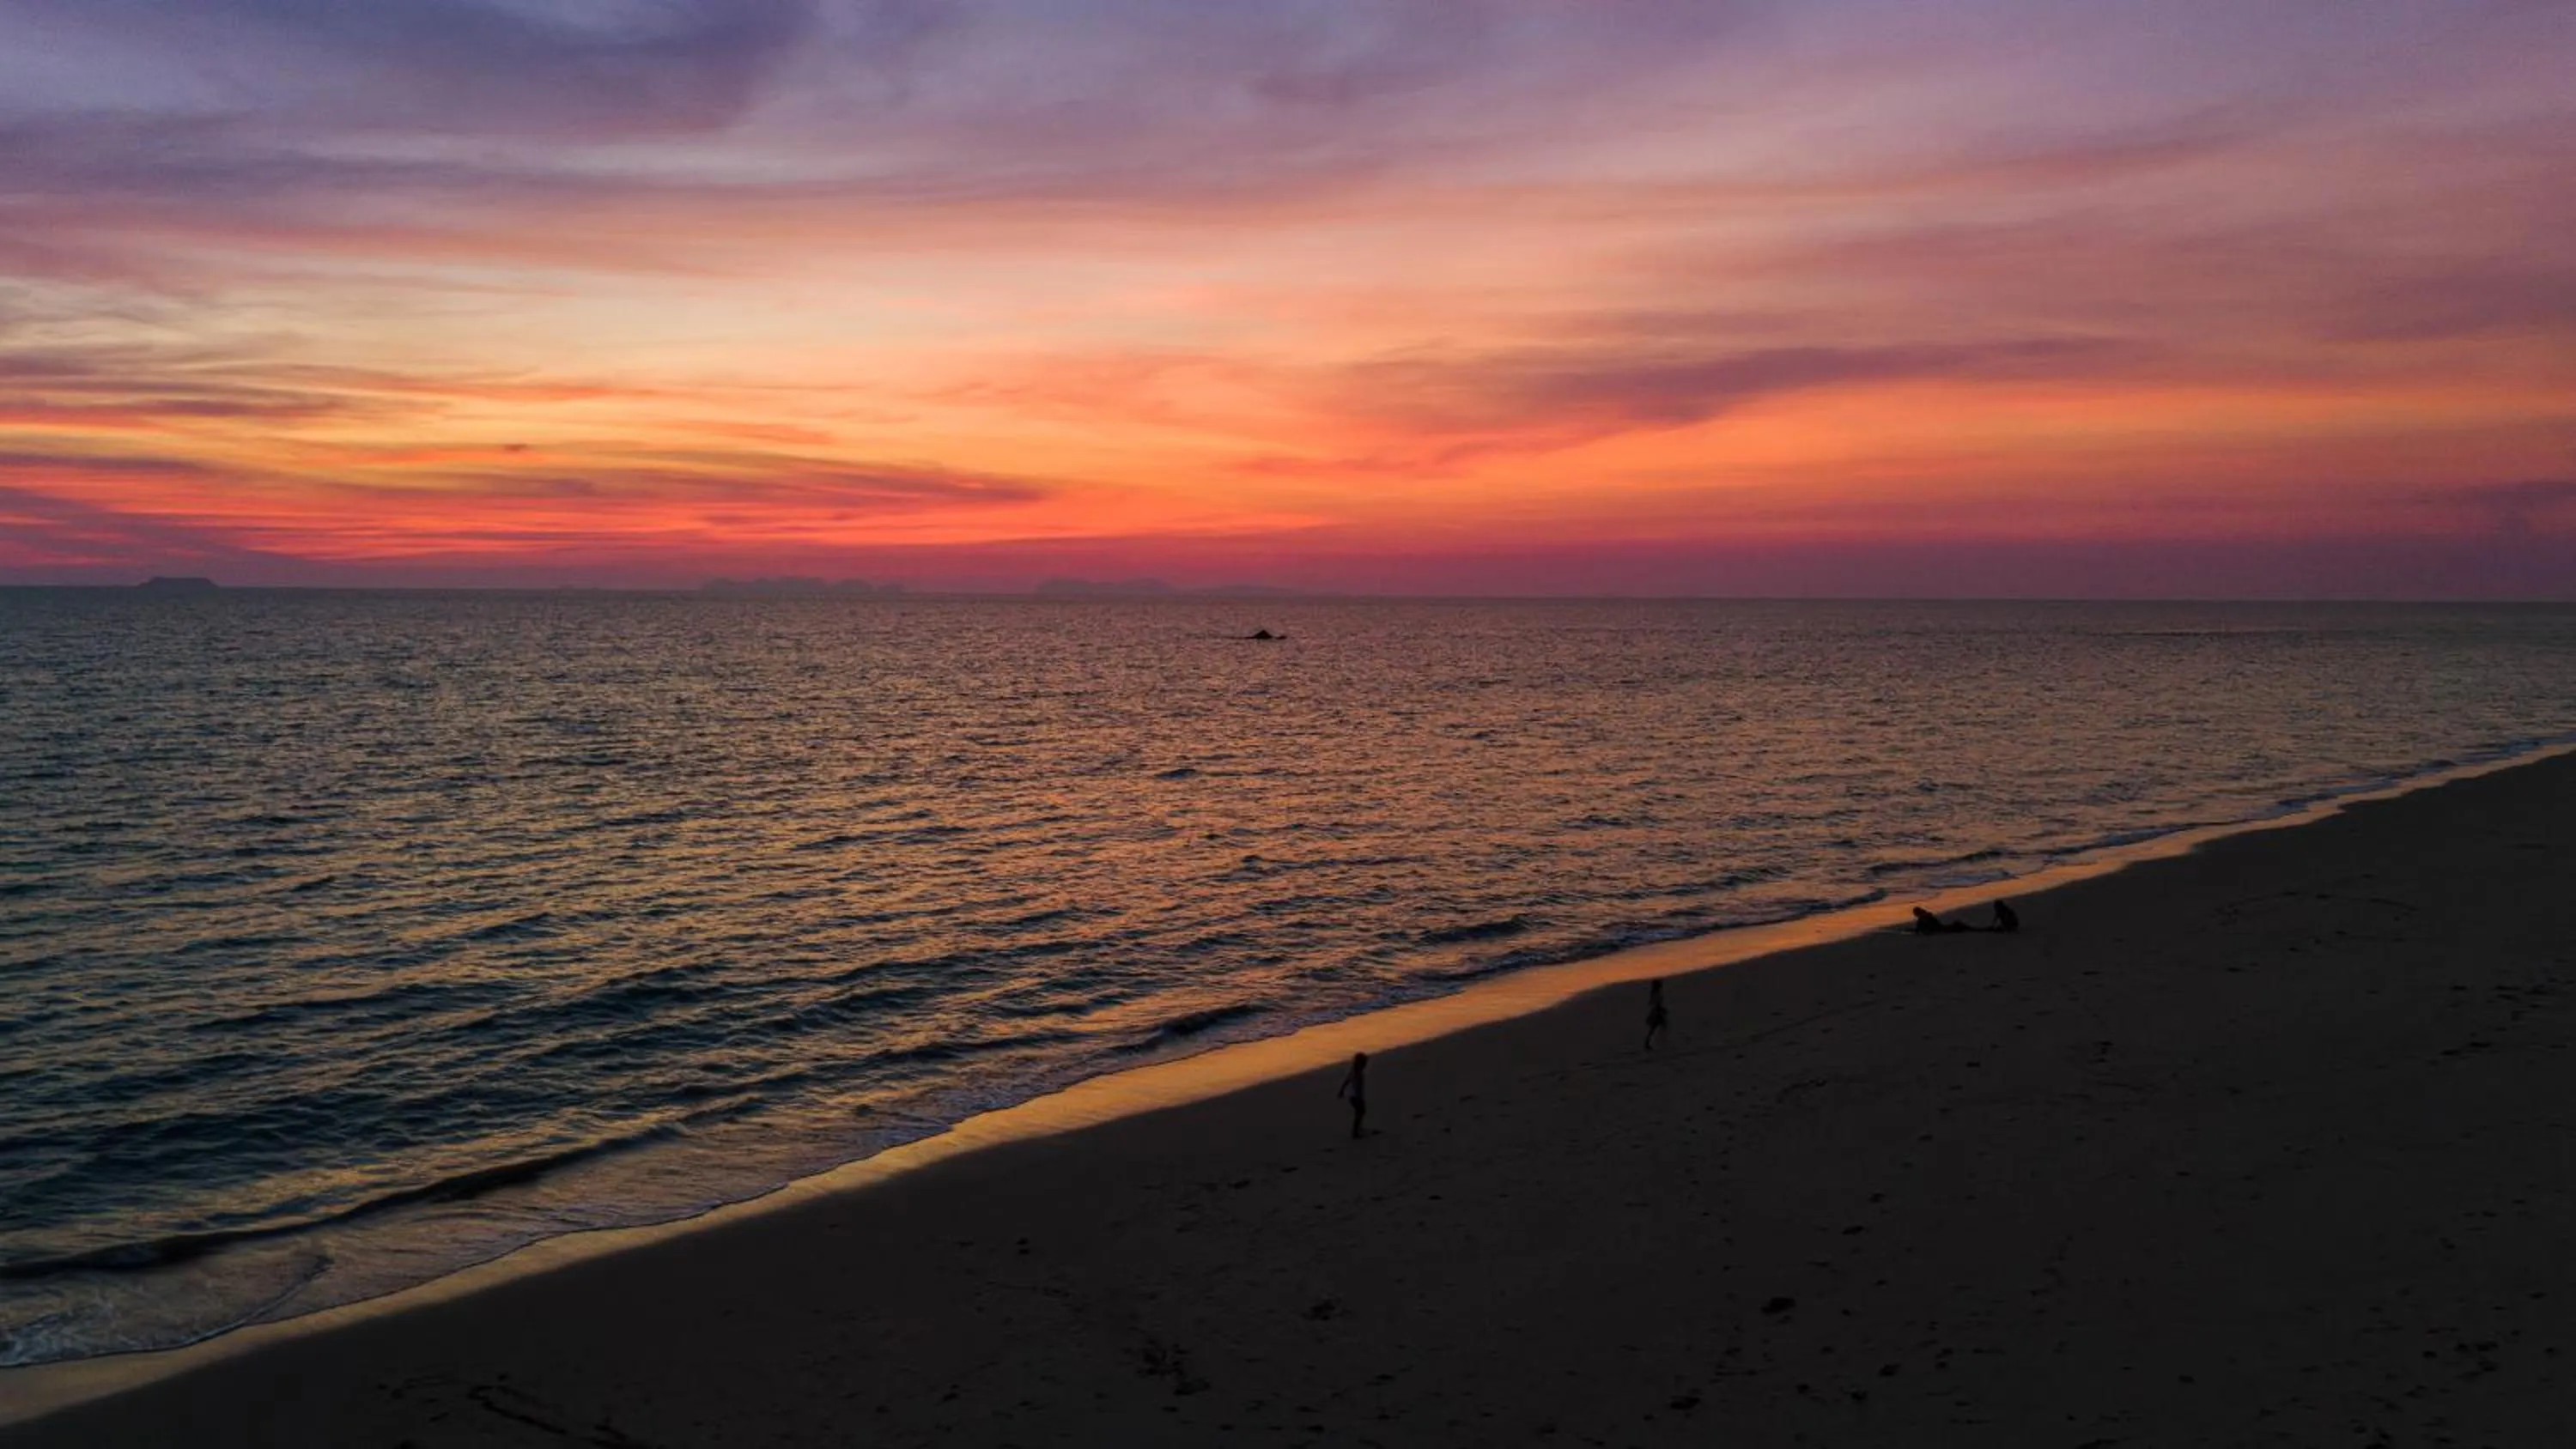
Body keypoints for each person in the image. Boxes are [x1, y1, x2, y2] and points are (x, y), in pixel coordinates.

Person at [1336, 1052, 1368, 1138]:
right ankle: (1356, 1132)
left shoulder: (1354, 1071)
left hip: (1353, 1096)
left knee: (1361, 1112)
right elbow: (1357, 1086)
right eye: (1365, 1063)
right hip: (1356, 1096)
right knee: (1360, 1112)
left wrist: (1341, 1091)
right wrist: (1360, 1098)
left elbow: (1346, 1081)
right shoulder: (1358, 1073)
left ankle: (1358, 1129)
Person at [1643, 978, 1668, 1050]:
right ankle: (1651, 1043)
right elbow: (1656, 1003)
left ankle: (1650, 1043)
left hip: (1657, 1012)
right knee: (1657, 1028)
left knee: (1655, 1029)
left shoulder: (1655, 993)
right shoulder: (1656, 993)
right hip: (1657, 1013)